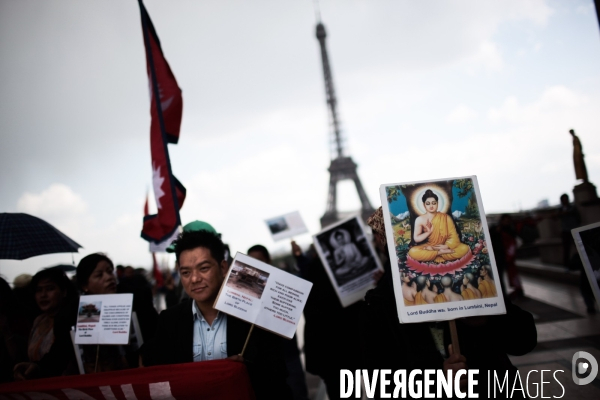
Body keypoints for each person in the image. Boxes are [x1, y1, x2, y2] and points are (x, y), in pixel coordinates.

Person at [361, 208, 537, 398]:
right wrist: (436, 382)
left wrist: (488, 319)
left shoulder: (473, 280)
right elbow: (379, 385)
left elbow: (524, 341)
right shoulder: (380, 306)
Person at [142, 230, 292, 400]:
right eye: (186, 273)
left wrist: (245, 371)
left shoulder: (254, 316)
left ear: (223, 267)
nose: (195, 279)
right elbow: (159, 377)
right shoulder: (169, 320)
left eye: (204, 268)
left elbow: (278, 380)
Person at [76, 253, 158, 372]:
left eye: (110, 272)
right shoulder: (83, 312)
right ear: (85, 286)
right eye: (99, 275)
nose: (109, 277)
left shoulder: (138, 301)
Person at [247, 244, 309, 400]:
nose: (256, 265)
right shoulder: (246, 289)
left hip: (288, 356)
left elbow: (305, 283)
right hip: (263, 362)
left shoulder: (284, 284)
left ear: (269, 260)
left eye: (259, 260)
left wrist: (300, 257)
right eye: (251, 261)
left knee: (297, 393)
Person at [13, 268, 79, 380]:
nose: (43, 295)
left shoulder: (73, 321)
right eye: (39, 290)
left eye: (50, 289)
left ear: (64, 292)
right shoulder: (38, 320)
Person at [407, 189, 471, 264]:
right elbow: (416, 238)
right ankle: (439, 253)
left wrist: (447, 246)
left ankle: (434, 254)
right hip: (430, 245)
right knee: (413, 252)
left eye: (434, 203)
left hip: (443, 246)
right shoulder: (420, 219)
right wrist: (429, 232)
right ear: (424, 205)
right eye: (428, 203)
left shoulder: (446, 217)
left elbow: (453, 236)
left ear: (437, 204)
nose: (431, 206)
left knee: (464, 248)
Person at [557, 193, 580, 269]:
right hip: (565, 230)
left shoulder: (572, 208)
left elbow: (577, 217)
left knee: (578, 246)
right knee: (566, 248)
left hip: (573, 229)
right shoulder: (560, 209)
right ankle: (566, 264)